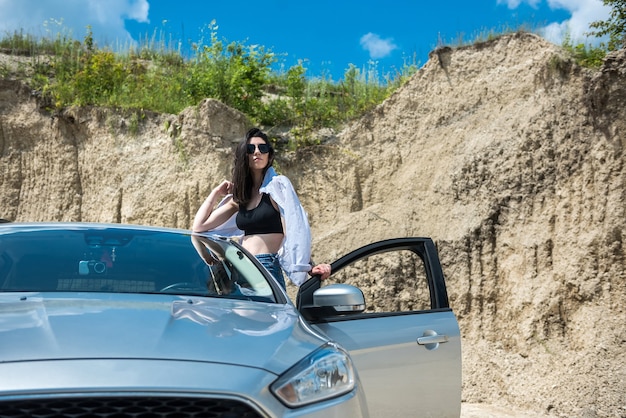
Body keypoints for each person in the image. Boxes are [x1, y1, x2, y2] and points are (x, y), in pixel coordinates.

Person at [192, 127, 331, 289]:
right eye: (251, 149)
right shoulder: (240, 198)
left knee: (266, 314)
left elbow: (294, 230)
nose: (257, 152)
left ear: (269, 155)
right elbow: (199, 227)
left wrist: (309, 266)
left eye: (262, 148)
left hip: (265, 267)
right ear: (244, 155)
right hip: (239, 266)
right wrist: (215, 193)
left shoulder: (278, 187)